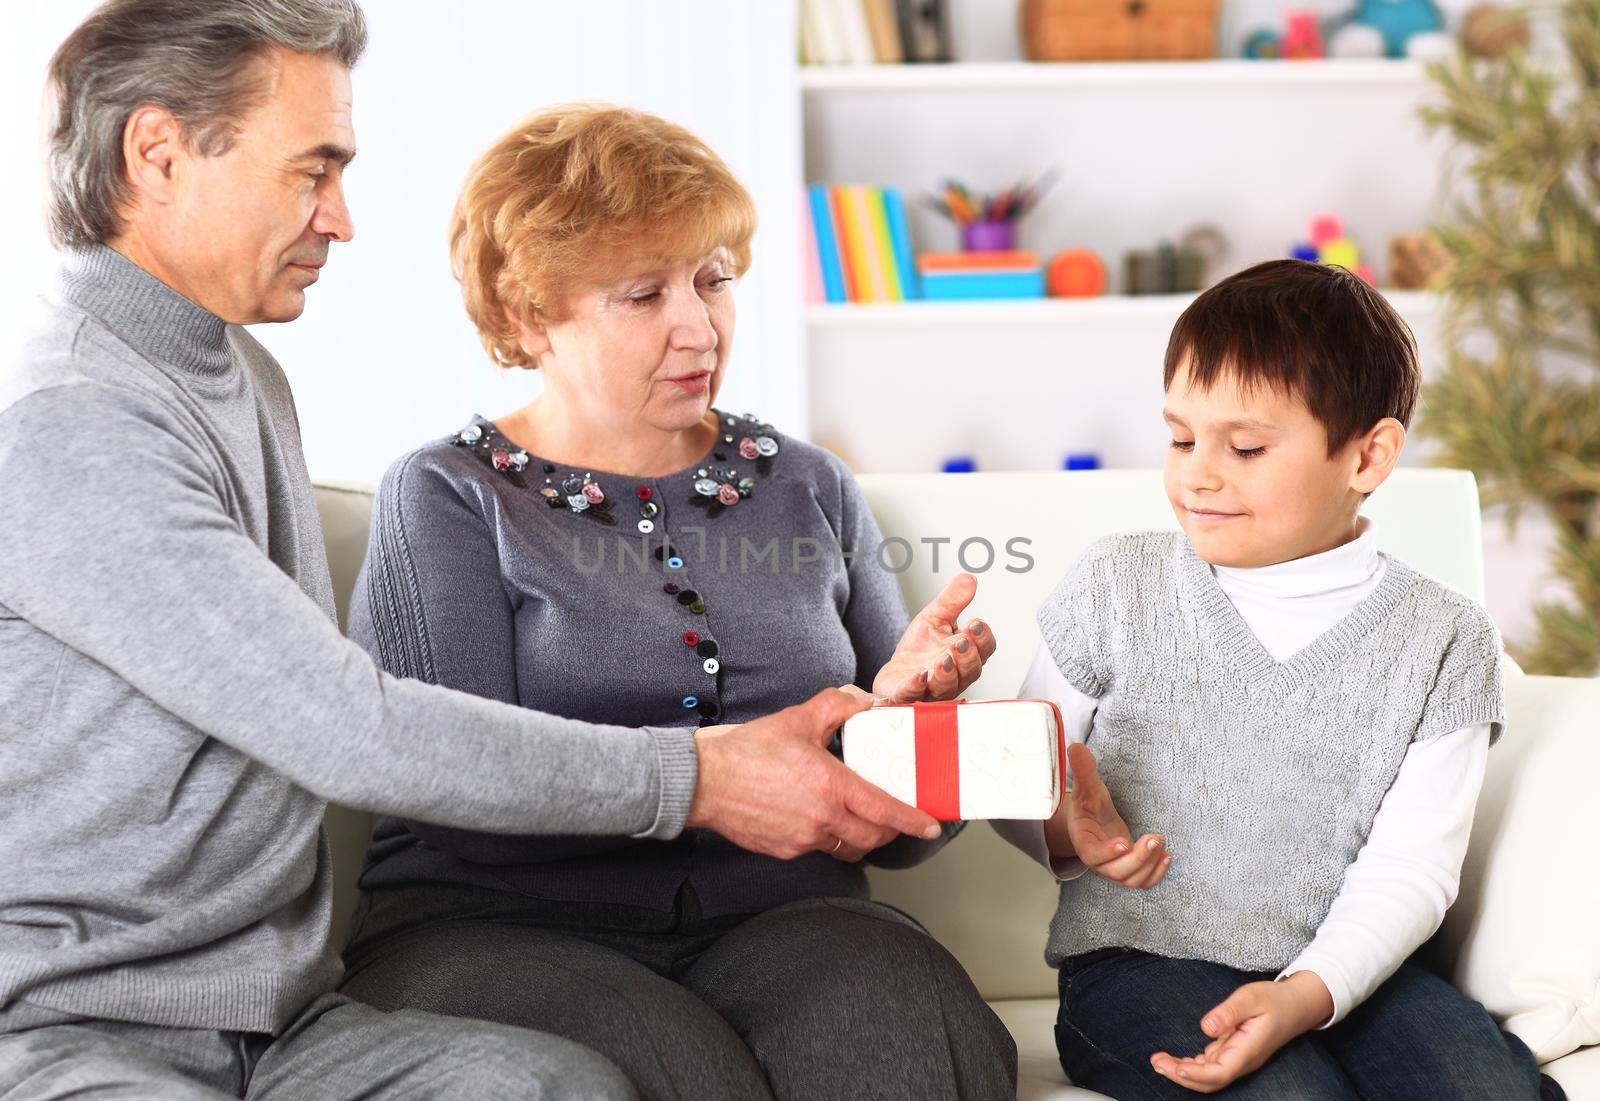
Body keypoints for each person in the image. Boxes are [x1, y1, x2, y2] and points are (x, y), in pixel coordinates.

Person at [0, 4, 943, 1096]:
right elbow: (348, 728)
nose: (341, 219)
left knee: (564, 1088)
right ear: (157, 154)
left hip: (280, 1026)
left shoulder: (236, 373)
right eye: (312, 171)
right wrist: (696, 778)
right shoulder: (77, 419)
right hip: (87, 1031)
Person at [335, 103, 1017, 1101]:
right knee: (676, 1074)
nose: (698, 327)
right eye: (643, 294)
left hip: (787, 921)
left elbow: (913, 836)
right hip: (499, 929)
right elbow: (450, 793)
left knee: (906, 1026)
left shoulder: (809, 484)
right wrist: (708, 784)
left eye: (713, 280)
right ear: (530, 317)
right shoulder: (446, 496)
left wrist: (911, 729)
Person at [995, 259, 1557, 1099]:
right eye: (1182, 437)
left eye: (1246, 447)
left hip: (1355, 970)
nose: (1197, 473)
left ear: (1368, 455)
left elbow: (1413, 866)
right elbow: (1015, 782)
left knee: (1484, 1088)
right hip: (1140, 966)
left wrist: (1308, 991)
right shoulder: (1116, 585)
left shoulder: (1445, 639)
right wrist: (1063, 826)